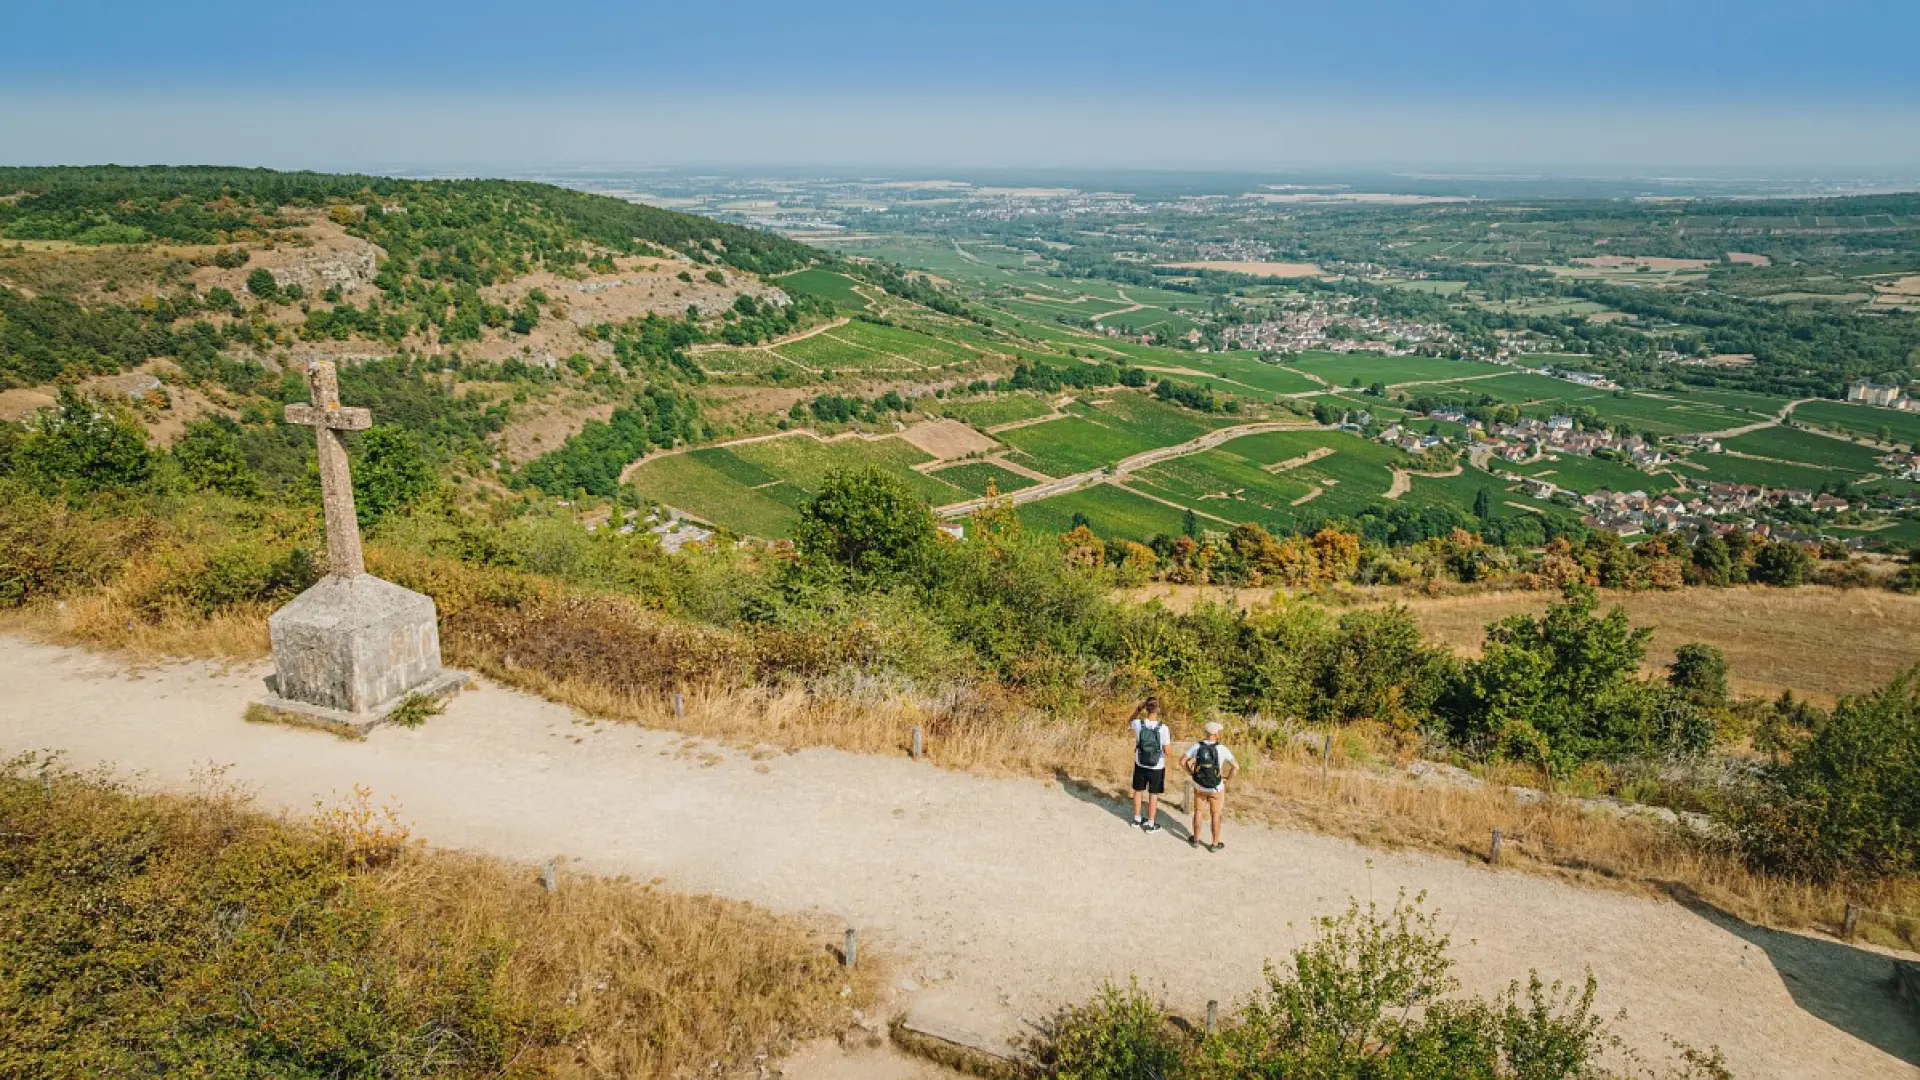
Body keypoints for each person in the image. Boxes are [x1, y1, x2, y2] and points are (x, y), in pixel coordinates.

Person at [1183, 720, 1239, 852]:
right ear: (1215, 734)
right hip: (1216, 787)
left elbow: (1182, 761)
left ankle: (1196, 839)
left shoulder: (1197, 746)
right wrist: (1226, 779)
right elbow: (1236, 767)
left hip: (1200, 786)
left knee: (1198, 812)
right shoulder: (1222, 749)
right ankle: (1214, 843)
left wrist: (1191, 773)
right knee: (1215, 815)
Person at [1127, 698, 1172, 832]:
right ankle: (1151, 824)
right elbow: (1167, 751)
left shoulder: (1139, 724)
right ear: (1158, 709)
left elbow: (1129, 721)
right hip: (1156, 766)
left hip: (1140, 763)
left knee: (1138, 791)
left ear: (1146, 708)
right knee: (1153, 794)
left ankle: (1136, 819)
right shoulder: (1163, 728)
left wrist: (1137, 709)